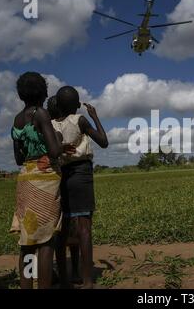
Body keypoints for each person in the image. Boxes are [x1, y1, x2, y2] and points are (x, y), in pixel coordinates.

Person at [10, 72, 63, 289]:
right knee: (46, 241)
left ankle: (26, 286)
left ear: (21, 95)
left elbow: (18, 158)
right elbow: (54, 151)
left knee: (28, 241)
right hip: (46, 178)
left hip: (25, 177)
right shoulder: (41, 114)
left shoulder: (17, 119)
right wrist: (58, 139)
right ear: (44, 92)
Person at [53, 86, 108, 289]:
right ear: (78, 106)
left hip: (61, 176)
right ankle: (86, 281)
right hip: (82, 175)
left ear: (56, 105)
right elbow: (103, 142)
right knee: (84, 229)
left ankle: (66, 280)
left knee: (63, 229)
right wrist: (94, 116)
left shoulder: (50, 124)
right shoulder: (80, 120)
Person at [46, 95, 81, 284]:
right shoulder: (69, 124)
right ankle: (74, 272)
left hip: (51, 183)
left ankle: (53, 273)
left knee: (51, 234)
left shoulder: (46, 128)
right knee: (72, 230)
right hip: (67, 179)